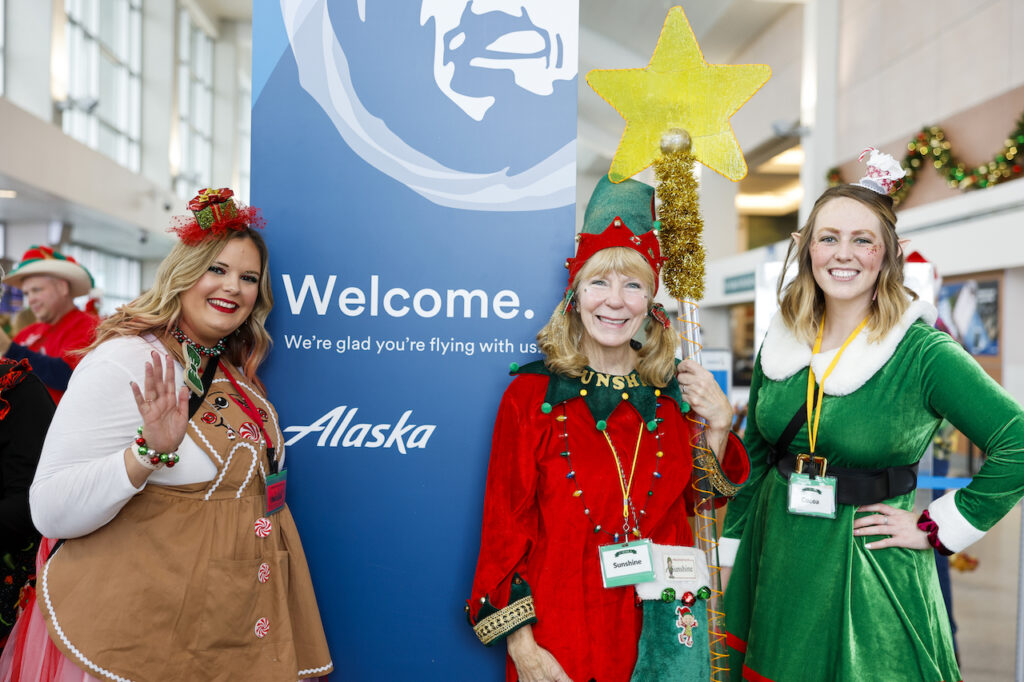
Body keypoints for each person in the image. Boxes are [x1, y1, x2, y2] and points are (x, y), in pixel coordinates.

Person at [0, 189, 333, 681]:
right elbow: (49, 509)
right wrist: (144, 455)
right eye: (216, 269)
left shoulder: (230, 366)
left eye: (248, 278)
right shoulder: (126, 359)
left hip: (221, 630)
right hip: (138, 642)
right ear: (183, 273)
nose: (233, 287)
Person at [720, 148, 1024, 681]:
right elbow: (759, 458)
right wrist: (731, 557)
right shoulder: (783, 339)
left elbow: (1017, 443)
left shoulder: (922, 352)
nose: (844, 254)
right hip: (774, 564)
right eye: (828, 238)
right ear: (807, 248)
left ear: (888, 254)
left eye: (863, 239)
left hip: (868, 569)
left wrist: (937, 527)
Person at [466, 176, 749, 682]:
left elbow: (700, 507)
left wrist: (720, 425)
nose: (615, 301)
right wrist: (524, 649)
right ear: (575, 294)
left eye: (633, 285)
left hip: (663, 631)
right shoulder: (532, 397)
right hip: (563, 632)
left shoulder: (674, 394)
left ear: (651, 302)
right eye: (599, 282)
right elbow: (504, 529)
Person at [0, 268, 56, 646]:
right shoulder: (31, 333)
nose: (32, 298)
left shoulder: (17, 388)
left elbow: (30, 503)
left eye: (39, 289)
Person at [0, 247, 99, 404]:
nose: (30, 299)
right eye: (27, 293)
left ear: (62, 287)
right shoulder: (27, 333)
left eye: (36, 290)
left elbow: (68, 375)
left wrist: (9, 348)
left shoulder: (89, 326)